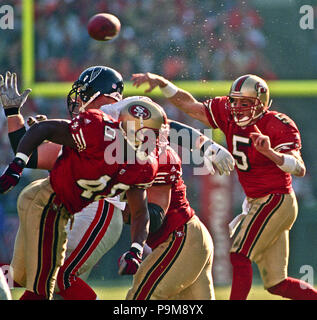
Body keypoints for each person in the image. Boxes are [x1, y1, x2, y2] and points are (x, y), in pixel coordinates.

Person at [131, 72, 317, 300]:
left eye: (245, 103)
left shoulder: (277, 124)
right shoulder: (227, 113)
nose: (237, 108)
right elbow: (191, 106)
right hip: (257, 201)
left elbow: (299, 168)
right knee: (276, 283)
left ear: (261, 104)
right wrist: (164, 84)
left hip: (276, 199)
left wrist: (271, 154)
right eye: (234, 101)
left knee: (239, 254)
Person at [0, 75, 168, 300]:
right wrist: (15, 122)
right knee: (39, 277)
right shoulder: (97, 129)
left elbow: (140, 210)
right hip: (65, 204)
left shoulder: (111, 127)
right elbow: (38, 148)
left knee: (52, 277)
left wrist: (137, 248)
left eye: (84, 94)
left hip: (98, 209)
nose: (79, 100)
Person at [122, 142, 215, 300]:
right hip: (190, 238)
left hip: (181, 238)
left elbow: (155, 217)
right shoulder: (127, 152)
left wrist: (116, 201)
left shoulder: (159, 156)